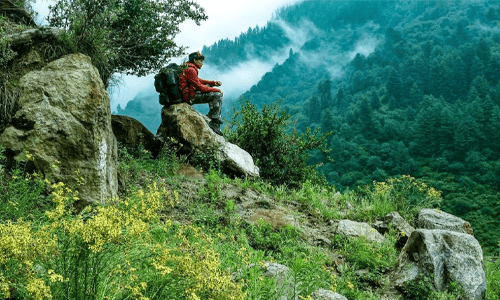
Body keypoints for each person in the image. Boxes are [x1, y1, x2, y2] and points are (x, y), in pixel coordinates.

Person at [178, 51, 224, 136]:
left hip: (189, 93)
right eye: (200, 61)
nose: (202, 63)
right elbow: (200, 87)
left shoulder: (189, 68)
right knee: (217, 95)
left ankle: (212, 115)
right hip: (190, 97)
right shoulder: (191, 70)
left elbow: (199, 81)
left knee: (210, 89)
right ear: (195, 60)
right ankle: (214, 121)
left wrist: (213, 83)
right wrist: (217, 90)